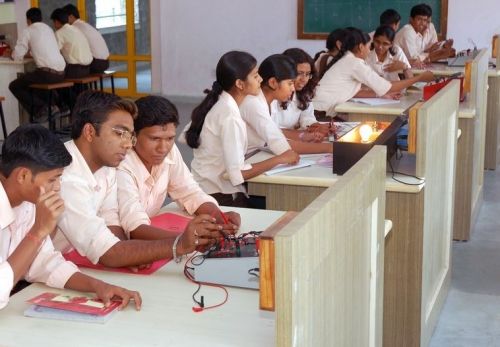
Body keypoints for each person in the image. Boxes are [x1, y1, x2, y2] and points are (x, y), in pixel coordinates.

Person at [52, 90, 226, 268]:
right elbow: (108, 252)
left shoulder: (105, 165)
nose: (128, 144)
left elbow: (111, 219)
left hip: (71, 259)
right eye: (120, 133)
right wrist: (179, 244)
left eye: (129, 135)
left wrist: (129, 254)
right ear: (89, 132)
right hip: (40, 274)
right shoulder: (65, 178)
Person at [0, 124, 141, 310]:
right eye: (52, 179)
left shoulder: (29, 200)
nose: (58, 187)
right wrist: (38, 232)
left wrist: (98, 286)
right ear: (23, 175)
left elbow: (45, 263)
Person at [184, 51, 299, 207]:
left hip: (208, 187)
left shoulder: (222, 103)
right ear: (240, 84)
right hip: (217, 195)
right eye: (255, 75)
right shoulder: (230, 116)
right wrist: (281, 159)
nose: (261, 79)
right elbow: (237, 175)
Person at [117, 95, 240, 239]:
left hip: (149, 232)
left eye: (170, 138)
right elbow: (134, 228)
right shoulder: (121, 164)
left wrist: (217, 217)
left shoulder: (169, 151)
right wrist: (183, 241)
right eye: (154, 139)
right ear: (133, 136)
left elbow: (188, 191)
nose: (163, 148)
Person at [313, 28, 435, 115]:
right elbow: (388, 86)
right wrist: (419, 78)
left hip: (319, 109)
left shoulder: (349, 59)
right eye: (370, 45)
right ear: (361, 47)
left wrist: (381, 94)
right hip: (320, 113)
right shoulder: (355, 63)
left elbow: (354, 92)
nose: (371, 49)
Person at [240, 54, 332, 154]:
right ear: (273, 83)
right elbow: (279, 144)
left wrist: (304, 136)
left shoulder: (269, 101)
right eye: (290, 83)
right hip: (248, 157)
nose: (293, 89)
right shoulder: (254, 103)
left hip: (258, 153)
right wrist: (330, 148)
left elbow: (276, 132)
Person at [6, 8, 66, 118]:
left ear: (28, 20)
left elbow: (17, 55)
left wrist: (11, 54)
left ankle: (42, 109)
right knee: (32, 80)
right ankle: (54, 106)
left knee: (14, 85)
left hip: (47, 74)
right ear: (40, 18)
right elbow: (43, 50)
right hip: (62, 73)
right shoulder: (48, 29)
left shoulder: (28, 30)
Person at [271, 48, 329, 139]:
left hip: (290, 139)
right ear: (286, 71)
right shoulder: (273, 96)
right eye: (300, 73)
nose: (304, 79)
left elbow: (307, 117)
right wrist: (302, 134)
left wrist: (315, 126)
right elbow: (272, 131)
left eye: (307, 74)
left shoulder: (303, 92)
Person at [63, 4, 110, 73]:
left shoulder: (74, 28)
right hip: (106, 62)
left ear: (71, 17)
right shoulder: (85, 25)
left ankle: (81, 83)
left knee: (68, 69)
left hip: (95, 63)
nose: (62, 21)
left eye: (63, 18)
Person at [50, 8, 93, 78]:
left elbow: (54, 53)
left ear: (57, 21)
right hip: (87, 69)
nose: (53, 25)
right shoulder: (76, 29)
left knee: (55, 76)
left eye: (53, 22)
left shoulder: (59, 33)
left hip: (75, 70)